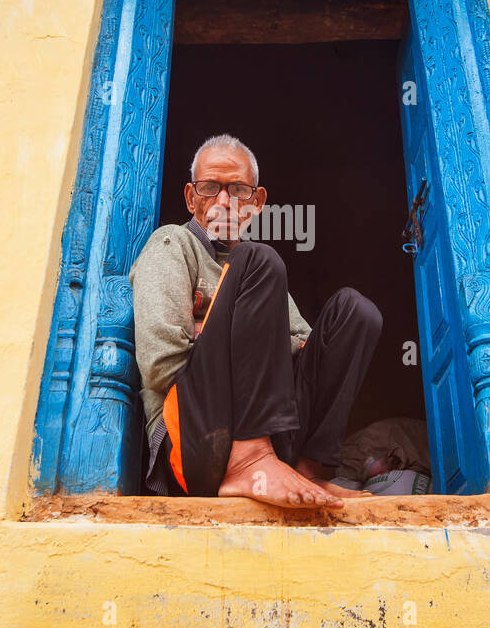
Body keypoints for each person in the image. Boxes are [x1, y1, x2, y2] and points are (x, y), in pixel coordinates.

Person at [129, 133, 383, 509]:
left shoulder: (258, 274)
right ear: (190, 197)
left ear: (257, 202)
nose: (224, 201)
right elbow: (161, 363)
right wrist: (244, 337)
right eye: (210, 188)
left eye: (238, 190)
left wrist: (220, 330)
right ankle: (248, 460)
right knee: (257, 259)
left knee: (357, 311)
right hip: (193, 441)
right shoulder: (173, 245)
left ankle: (308, 469)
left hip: (274, 437)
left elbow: (301, 352)